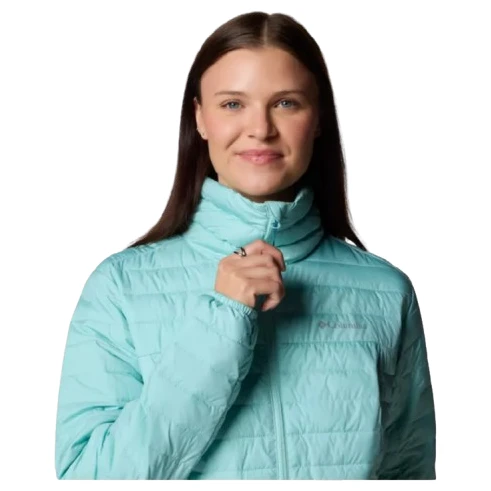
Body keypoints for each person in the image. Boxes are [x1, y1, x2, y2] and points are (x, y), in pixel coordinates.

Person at [54, 11, 436, 480]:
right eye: (233, 104)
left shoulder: (386, 291)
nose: (260, 128)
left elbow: (409, 473)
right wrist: (220, 324)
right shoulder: (119, 287)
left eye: (286, 103)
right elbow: (87, 478)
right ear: (200, 118)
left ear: (318, 118)